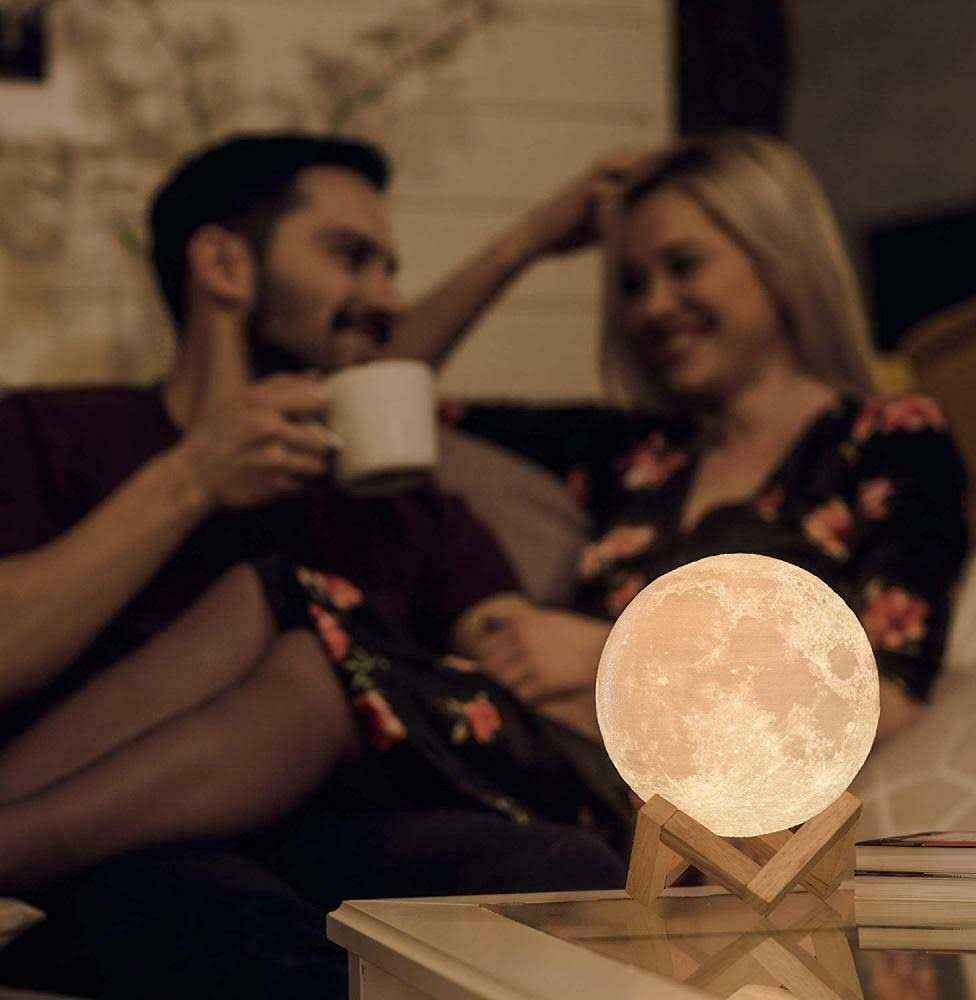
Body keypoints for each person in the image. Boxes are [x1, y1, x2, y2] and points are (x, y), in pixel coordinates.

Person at [0, 134, 627, 998]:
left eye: (391, 270)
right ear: (224, 264)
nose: (386, 297)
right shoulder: (58, 435)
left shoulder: (400, 503)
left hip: (337, 824)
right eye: (350, 257)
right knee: (211, 913)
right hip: (114, 838)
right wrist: (190, 480)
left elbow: (507, 654)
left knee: (559, 868)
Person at [388, 131, 969, 744]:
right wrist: (526, 241)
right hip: (545, 764)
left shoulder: (885, 440)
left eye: (683, 266)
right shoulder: (631, 454)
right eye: (633, 285)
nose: (655, 307)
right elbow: (379, 398)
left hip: (705, 795)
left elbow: (890, 702)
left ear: (775, 256)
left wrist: (608, 652)